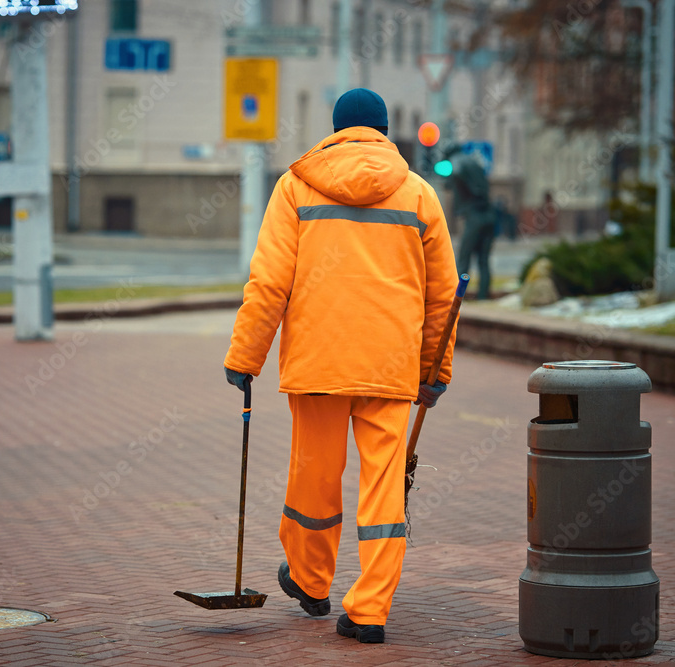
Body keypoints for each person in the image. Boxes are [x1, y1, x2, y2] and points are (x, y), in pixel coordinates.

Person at [223, 88, 459, 644]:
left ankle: (310, 580)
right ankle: (370, 610)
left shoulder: (296, 187)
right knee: (385, 489)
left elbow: (270, 281)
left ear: (334, 129)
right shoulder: (419, 194)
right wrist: (435, 371)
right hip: (390, 368)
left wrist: (245, 354)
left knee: (315, 476)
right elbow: (444, 297)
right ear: (383, 131)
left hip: (319, 363)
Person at [445, 147, 496, 298]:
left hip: (474, 215)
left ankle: (458, 296)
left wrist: (466, 189)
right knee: (483, 260)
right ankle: (482, 295)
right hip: (489, 215)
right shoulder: (475, 162)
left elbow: (457, 172)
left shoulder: (458, 160)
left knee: (463, 257)